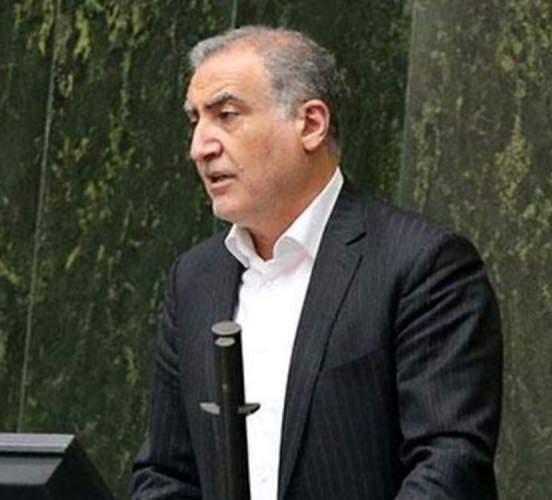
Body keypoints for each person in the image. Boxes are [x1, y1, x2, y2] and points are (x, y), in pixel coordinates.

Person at [130, 26, 502, 500]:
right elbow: (165, 473)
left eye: (227, 115)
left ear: (310, 124)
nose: (200, 146)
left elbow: (449, 466)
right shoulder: (195, 279)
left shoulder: (422, 265)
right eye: (195, 120)